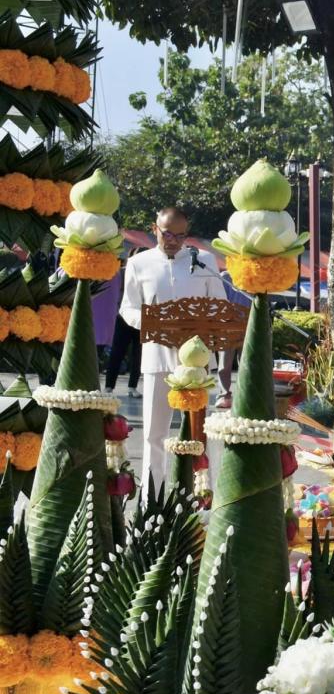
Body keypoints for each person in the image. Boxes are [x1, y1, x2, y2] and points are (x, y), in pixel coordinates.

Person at [119, 207, 225, 494]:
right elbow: (127, 308)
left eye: (181, 236)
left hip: (197, 363)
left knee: (198, 434)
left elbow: (219, 306)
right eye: (168, 234)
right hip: (157, 358)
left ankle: (200, 496)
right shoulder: (139, 263)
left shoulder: (203, 261)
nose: (174, 241)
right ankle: (150, 498)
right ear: (155, 229)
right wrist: (152, 322)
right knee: (155, 433)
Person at [216, 268, 253, 410]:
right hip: (228, 326)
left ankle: (245, 395)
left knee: (246, 363)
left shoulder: (252, 276)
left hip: (248, 324)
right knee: (225, 363)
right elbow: (219, 300)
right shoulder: (224, 276)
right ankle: (224, 395)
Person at [104, 262, 142, 397]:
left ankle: (132, 387)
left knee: (138, 355)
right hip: (123, 316)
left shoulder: (150, 272)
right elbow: (115, 292)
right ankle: (109, 386)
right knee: (117, 352)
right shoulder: (123, 272)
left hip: (142, 317)